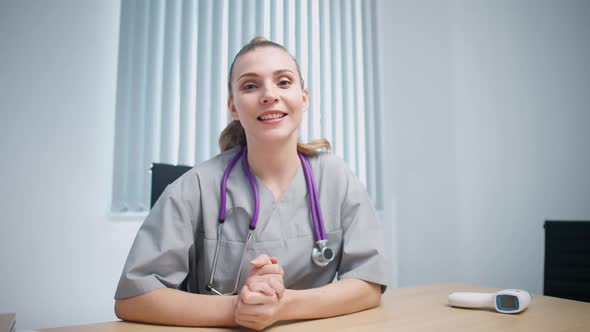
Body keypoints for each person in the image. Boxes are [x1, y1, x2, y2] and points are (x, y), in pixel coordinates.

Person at [114, 36, 387, 330]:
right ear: (233, 106)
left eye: (283, 82)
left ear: (304, 97)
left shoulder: (337, 179)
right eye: (250, 85)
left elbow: (368, 283)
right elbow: (133, 299)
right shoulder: (193, 188)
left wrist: (283, 306)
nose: (269, 94)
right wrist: (238, 308)